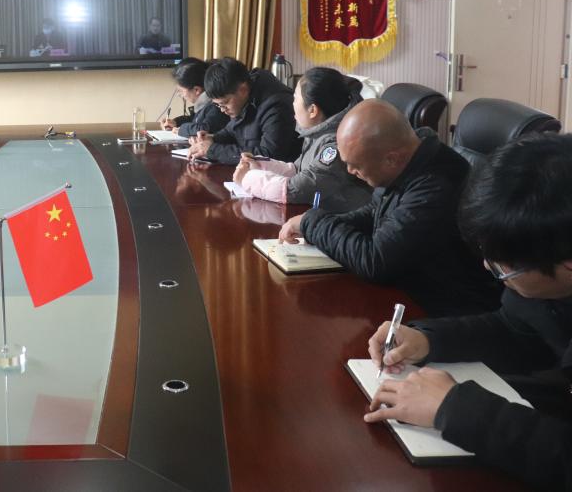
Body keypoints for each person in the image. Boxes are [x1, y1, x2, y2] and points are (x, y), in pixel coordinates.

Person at [364, 134, 572, 490]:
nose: (490, 270)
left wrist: (456, 409)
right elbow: (517, 329)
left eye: (502, 267)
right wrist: (428, 340)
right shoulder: (547, 260)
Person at [278, 99, 500, 316]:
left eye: (355, 166)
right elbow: (374, 213)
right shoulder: (411, 158)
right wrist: (320, 224)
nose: (350, 171)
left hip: (445, 310)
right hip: (408, 290)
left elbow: (375, 262)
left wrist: (314, 223)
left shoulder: (436, 185)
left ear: (391, 159)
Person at [233, 67, 371, 212]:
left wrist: (247, 179)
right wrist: (259, 164)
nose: (292, 103)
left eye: (295, 98)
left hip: (342, 219)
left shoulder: (335, 144)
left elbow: (295, 190)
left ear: (313, 110)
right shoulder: (317, 131)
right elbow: (297, 170)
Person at [186, 57, 301, 165]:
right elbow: (232, 130)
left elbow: (269, 156)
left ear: (243, 90)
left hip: (281, 175)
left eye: (224, 103)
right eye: (218, 105)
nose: (222, 110)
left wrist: (212, 150)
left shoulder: (276, 105)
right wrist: (212, 138)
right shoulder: (245, 96)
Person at [159, 58, 229, 137]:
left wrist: (182, 129)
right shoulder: (205, 104)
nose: (179, 95)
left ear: (196, 90)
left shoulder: (216, 105)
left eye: (181, 91)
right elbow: (193, 120)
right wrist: (175, 122)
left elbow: (204, 129)